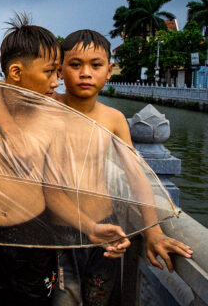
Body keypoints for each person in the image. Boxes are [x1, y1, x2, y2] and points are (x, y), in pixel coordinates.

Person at [0, 15, 130, 306]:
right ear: (16, 72)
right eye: (50, 72)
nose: (57, 82)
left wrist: (90, 227)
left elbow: (52, 192)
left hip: (34, 237)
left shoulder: (52, 120)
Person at [51, 29, 193, 306]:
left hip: (106, 229)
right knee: (62, 300)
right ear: (59, 70)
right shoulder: (48, 107)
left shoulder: (113, 119)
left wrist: (152, 230)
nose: (85, 73)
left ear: (109, 70)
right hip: (59, 231)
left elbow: (136, 175)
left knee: (97, 298)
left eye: (96, 65)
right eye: (75, 65)